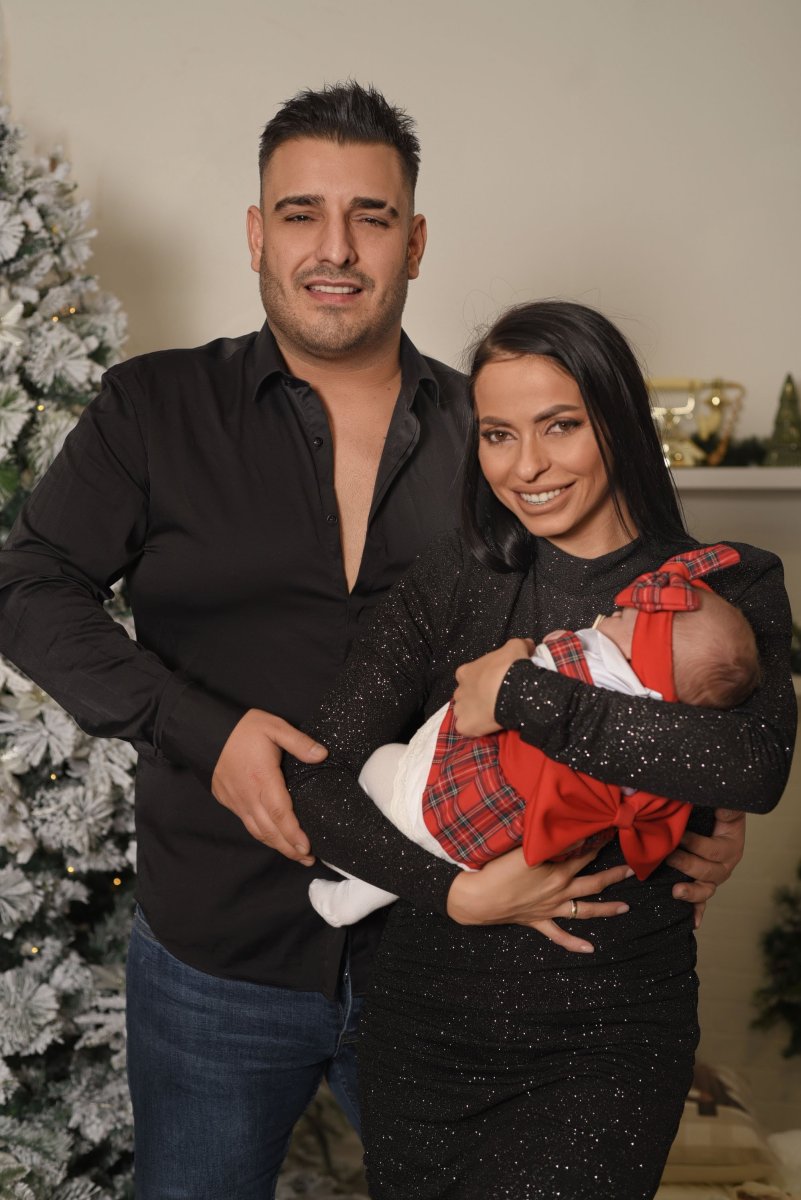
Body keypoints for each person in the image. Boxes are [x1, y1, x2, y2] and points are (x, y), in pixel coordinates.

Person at [0, 86, 747, 1197]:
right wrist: (199, 729)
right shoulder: (152, 408)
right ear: (256, 233)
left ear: (417, 240)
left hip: (456, 956)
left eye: (373, 216)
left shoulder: (502, 439)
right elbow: (28, 587)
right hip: (216, 952)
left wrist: (697, 811)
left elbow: (625, 631)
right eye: (301, 213)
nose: (336, 249)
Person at [285, 300, 796, 1200]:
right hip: (423, 1032)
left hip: (606, 1041)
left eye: (559, 426)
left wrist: (520, 695)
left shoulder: (721, 581)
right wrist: (459, 892)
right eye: (498, 434)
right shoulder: (452, 578)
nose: (525, 466)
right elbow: (316, 781)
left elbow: (747, 764)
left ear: (618, 422)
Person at [309, 553, 761, 928]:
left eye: (626, 616)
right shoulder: (657, 744)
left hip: (459, 798)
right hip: (505, 844)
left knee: (383, 766)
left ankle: (363, 886)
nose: (612, 614)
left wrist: (526, 656)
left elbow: (512, 680)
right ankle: (360, 896)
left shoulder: (591, 672)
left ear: (642, 652)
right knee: (431, 844)